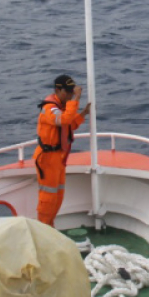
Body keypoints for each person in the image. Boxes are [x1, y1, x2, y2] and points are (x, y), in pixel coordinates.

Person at [32, 74, 91, 227]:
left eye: (72, 92)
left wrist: (83, 113)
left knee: (57, 198)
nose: (71, 95)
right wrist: (76, 100)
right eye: (69, 92)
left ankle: (49, 229)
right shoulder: (49, 108)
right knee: (48, 200)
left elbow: (69, 125)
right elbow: (64, 120)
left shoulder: (61, 107)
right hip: (47, 159)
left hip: (58, 159)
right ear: (58, 90)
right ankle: (43, 231)